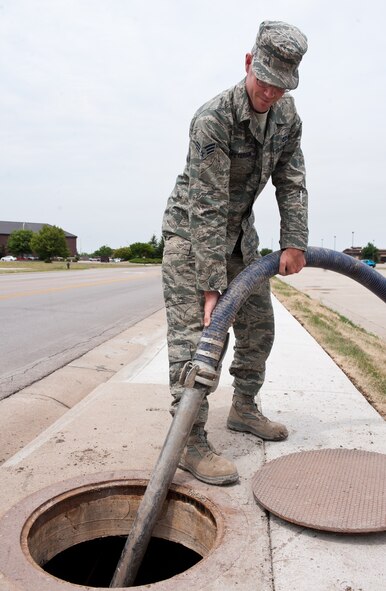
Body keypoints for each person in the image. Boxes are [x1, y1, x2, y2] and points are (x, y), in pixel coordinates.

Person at [162, 20, 308, 486]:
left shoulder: (287, 118)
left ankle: (244, 408)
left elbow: (292, 180)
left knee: (259, 329)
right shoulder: (213, 119)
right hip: (192, 240)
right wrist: (211, 288)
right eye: (264, 81)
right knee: (197, 345)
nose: (270, 93)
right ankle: (190, 442)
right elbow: (206, 207)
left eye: (281, 86)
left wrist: (294, 241)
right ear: (248, 63)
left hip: (242, 240)